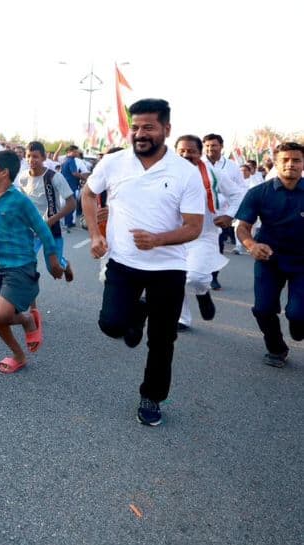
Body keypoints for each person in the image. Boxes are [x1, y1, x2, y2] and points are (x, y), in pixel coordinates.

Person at [81, 98, 204, 427]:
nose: (140, 133)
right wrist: (95, 234)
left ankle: (152, 397)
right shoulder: (114, 163)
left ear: (166, 129)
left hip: (168, 268)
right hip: (123, 261)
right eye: (134, 127)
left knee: (163, 340)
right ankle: (137, 312)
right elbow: (89, 194)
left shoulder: (185, 173)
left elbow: (193, 226)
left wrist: (159, 240)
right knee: (111, 325)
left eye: (148, 127)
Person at [0, 149, 64, 373]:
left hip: (20, 263)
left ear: (4, 173)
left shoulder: (20, 201)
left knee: (3, 314)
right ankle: (18, 354)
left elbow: (43, 229)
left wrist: (52, 258)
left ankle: (26, 320)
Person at [235, 142, 304, 368]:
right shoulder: (259, 193)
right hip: (268, 260)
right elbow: (242, 226)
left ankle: (298, 322)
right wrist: (251, 245)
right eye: (285, 160)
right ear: (276, 163)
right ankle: (276, 349)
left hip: (301, 263)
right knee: (263, 309)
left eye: (296, 160)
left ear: (303, 164)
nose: (290, 164)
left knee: (298, 313)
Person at [174, 135, 245, 332]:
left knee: (195, 276)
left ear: (199, 153)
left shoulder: (213, 174)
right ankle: (182, 318)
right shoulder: (166, 173)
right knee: (175, 277)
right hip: (173, 236)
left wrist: (229, 215)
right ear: (176, 152)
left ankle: (202, 291)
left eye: (192, 151)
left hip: (203, 235)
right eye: (182, 151)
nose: (187, 155)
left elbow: (238, 193)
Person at [15, 141, 75, 284]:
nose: (31, 160)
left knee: (54, 269)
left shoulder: (54, 177)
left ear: (43, 158)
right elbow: (23, 203)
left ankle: (65, 265)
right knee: (26, 263)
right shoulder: (23, 178)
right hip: (31, 228)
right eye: (28, 156)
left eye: (35, 156)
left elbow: (72, 203)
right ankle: (31, 300)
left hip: (51, 226)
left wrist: (52, 220)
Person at [203, 133, 243, 290]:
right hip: (198, 214)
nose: (210, 148)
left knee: (216, 245)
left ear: (221, 146)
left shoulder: (231, 166)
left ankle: (213, 276)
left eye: (214, 145)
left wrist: (231, 213)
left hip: (221, 215)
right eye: (207, 145)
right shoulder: (197, 164)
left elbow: (241, 189)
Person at [60, 145, 89, 231]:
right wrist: (85, 178)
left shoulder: (65, 160)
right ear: (70, 151)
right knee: (71, 204)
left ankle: (67, 222)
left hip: (66, 184)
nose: (77, 153)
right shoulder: (71, 161)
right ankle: (68, 223)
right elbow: (75, 173)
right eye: (75, 151)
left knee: (67, 204)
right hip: (71, 185)